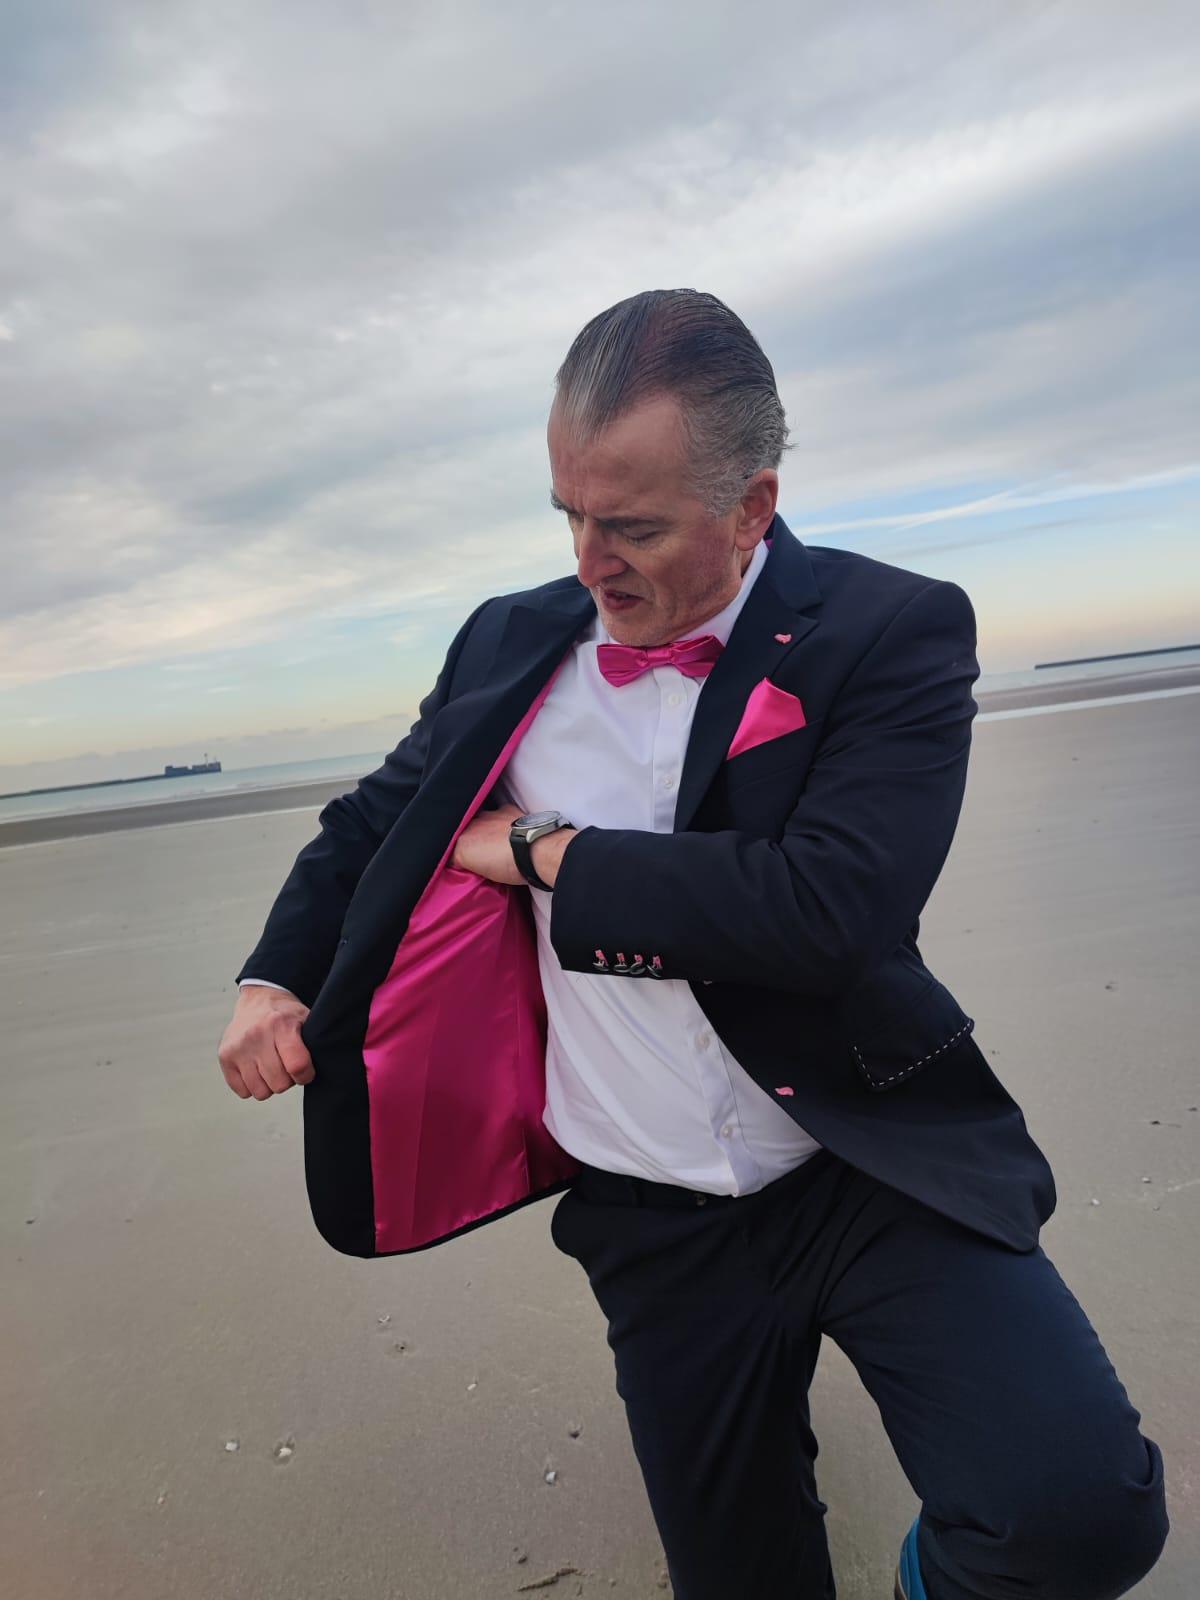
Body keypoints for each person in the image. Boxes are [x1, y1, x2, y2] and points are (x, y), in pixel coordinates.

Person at [218, 290, 1168, 1599]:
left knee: (1081, 1517)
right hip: (648, 1209)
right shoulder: (508, 638)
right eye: (569, 514)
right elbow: (374, 820)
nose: (590, 561)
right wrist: (273, 978)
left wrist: (544, 850)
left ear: (752, 508)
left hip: (862, 1156)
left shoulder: (891, 628)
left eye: (634, 527)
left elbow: (828, 911)